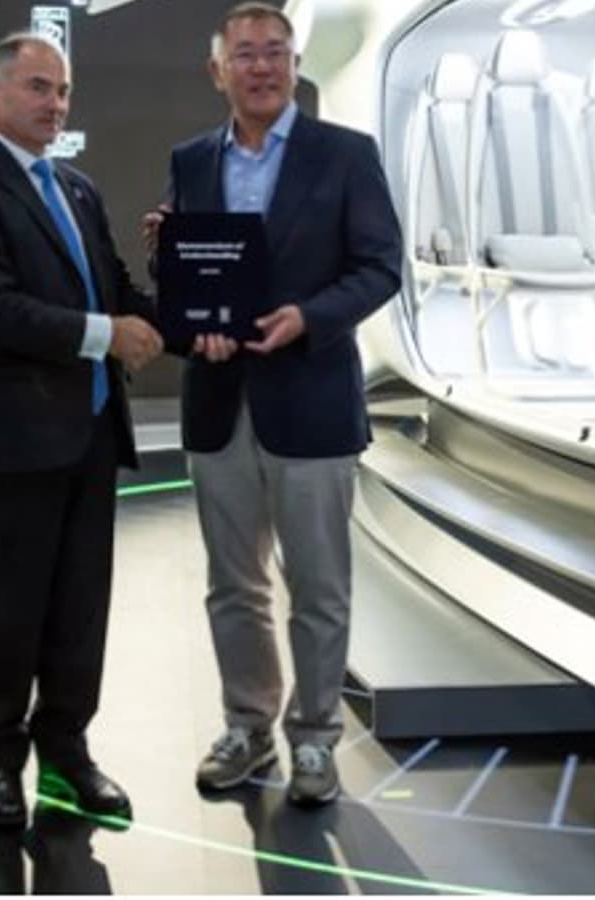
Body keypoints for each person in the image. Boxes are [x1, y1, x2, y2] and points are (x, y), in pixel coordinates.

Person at [142, 2, 401, 806]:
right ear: (217, 71)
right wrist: (170, 268)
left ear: (295, 63)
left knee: (319, 587)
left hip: (312, 398)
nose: (262, 67)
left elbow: (380, 266)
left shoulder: (346, 154)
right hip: (219, 401)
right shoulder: (191, 160)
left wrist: (308, 318)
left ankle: (316, 737)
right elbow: (188, 274)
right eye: (246, 54)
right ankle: (247, 725)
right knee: (233, 585)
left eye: (276, 52)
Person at [0, 31, 163, 828]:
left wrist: (197, 293)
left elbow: (118, 291)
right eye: (38, 87)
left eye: (62, 91)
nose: (55, 104)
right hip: (10, 444)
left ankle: (67, 748)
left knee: (79, 610)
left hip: (90, 436)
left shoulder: (79, 190)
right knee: (9, 612)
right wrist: (105, 335)